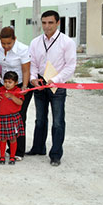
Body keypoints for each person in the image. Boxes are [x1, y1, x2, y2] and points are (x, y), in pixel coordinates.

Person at [27, 10, 76, 167]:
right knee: (40, 119)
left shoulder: (66, 42)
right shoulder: (35, 42)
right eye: (44, 23)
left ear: (57, 23)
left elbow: (70, 66)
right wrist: (33, 78)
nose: (46, 26)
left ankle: (55, 154)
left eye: (50, 23)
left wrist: (54, 80)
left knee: (58, 121)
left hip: (57, 84)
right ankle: (38, 147)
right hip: (40, 84)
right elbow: (33, 63)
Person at [0, 27, 31, 160]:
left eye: (9, 43)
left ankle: (18, 151)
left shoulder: (22, 49)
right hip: (4, 84)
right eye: (3, 43)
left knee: (18, 117)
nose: (6, 46)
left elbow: (26, 70)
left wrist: (24, 88)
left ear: (14, 39)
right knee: (4, 115)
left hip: (19, 85)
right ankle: (7, 148)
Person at [0, 71, 25, 165]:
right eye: (5, 81)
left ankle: (12, 156)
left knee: (13, 138)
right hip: (2, 117)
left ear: (16, 82)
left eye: (10, 82)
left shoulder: (18, 91)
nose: (7, 84)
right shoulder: (0, 89)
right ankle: (2, 156)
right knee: (3, 138)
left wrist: (12, 96)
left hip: (13, 118)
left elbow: (20, 103)